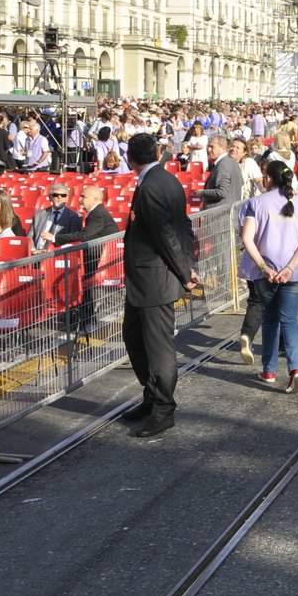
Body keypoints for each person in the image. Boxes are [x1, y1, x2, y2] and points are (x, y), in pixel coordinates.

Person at [120, 132, 198, 438]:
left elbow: (168, 233)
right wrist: (187, 265)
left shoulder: (153, 185)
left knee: (158, 346)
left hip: (156, 278)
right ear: (155, 152)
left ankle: (163, 408)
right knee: (134, 337)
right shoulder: (164, 180)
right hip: (146, 278)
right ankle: (152, 396)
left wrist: (185, 271)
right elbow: (183, 226)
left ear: (130, 158)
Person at [241, 161, 298, 391]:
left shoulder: (255, 203)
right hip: (295, 273)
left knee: (270, 319)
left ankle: (269, 370)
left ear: (268, 178)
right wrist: (291, 268)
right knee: (290, 320)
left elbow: (246, 239)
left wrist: (264, 267)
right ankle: (296, 369)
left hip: (266, 273)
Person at [51, 185, 119, 337]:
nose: (80, 199)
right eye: (80, 196)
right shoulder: (95, 213)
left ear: (95, 199)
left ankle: (87, 321)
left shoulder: (97, 214)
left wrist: (56, 238)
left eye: (84, 197)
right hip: (96, 258)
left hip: (101, 261)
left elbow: (85, 236)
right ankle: (85, 319)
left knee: (84, 283)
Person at [30, 181, 84, 251]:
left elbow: (72, 240)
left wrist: (50, 250)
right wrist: (33, 250)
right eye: (55, 195)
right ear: (50, 197)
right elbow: (30, 236)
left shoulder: (75, 217)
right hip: (36, 254)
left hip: (58, 254)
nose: (59, 197)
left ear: (67, 198)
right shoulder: (39, 214)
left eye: (63, 195)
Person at [198, 135, 243, 206]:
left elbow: (222, 192)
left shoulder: (223, 165)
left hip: (219, 213)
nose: (208, 150)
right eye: (208, 147)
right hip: (228, 211)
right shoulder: (233, 162)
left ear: (223, 148)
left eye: (212, 147)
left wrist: (202, 193)